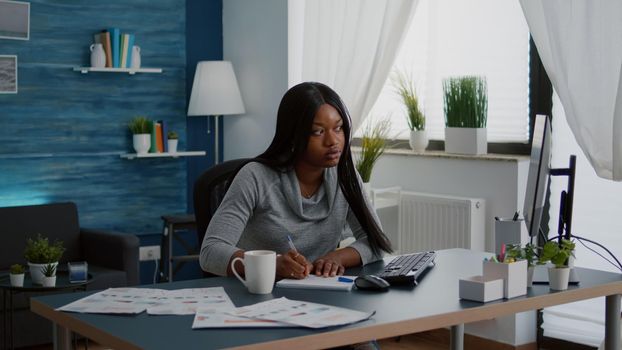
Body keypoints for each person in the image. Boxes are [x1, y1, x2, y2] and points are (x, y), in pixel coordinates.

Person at [199, 81, 392, 280]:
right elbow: (210, 253)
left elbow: (376, 242)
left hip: (315, 296)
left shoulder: (345, 178)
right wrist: (271, 265)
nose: (333, 141)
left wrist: (336, 258)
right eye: (318, 131)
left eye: (338, 128)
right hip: (253, 296)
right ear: (293, 136)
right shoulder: (255, 178)